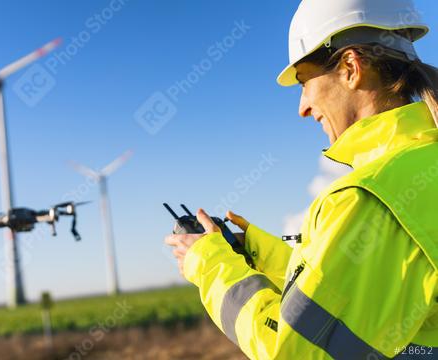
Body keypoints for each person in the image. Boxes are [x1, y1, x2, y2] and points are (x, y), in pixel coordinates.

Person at [164, 0, 438, 358]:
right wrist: (259, 255)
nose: (303, 107)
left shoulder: (368, 198)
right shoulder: (420, 164)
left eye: (305, 82)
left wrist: (211, 264)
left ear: (351, 68)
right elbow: (354, 287)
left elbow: (293, 351)